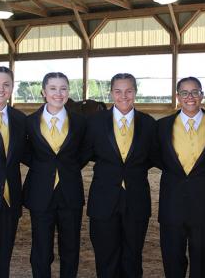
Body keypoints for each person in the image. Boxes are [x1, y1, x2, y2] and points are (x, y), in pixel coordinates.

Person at [81, 73, 157, 278]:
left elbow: (153, 157)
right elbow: (85, 153)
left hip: (136, 199)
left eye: (128, 91)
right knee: (106, 258)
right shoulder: (95, 122)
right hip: (103, 199)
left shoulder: (148, 124)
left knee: (133, 257)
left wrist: (132, 171)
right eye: (118, 91)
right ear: (111, 93)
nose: (124, 96)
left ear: (135, 92)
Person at [157, 77, 205, 278]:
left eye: (195, 92)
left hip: (203, 203)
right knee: (172, 257)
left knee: (201, 258)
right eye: (184, 93)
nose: (190, 97)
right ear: (177, 97)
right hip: (171, 203)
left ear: (202, 95)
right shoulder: (162, 126)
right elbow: (154, 157)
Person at [23, 72, 86, 278]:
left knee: (70, 249)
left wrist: (67, 167)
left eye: (63, 88)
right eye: (53, 88)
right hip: (40, 193)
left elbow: (85, 152)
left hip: (70, 192)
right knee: (41, 249)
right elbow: (25, 152)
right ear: (43, 91)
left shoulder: (80, 122)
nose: (58, 93)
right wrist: (45, 168)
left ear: (68, 91)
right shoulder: (29, 122)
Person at [0, 66, 27, 278]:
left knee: (3, 261)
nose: (1, 89)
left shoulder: (20, 120)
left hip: (10, 202)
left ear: (12, 87)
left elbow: (29, 155)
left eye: (6, 84)